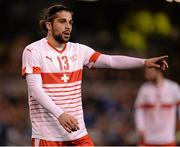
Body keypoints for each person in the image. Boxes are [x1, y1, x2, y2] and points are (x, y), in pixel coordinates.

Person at [21, 4, 168, 146]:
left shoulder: (79, 50)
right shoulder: (33, 51)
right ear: (49, 25)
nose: (68, 27)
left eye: (70, 22)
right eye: (62, 21)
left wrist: (144, 62)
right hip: (48, 136)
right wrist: (60, 114)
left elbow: (110, 61)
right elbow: (35, 90)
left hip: (78, 134)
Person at [135, 68, 180, 146]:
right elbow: (139, 110)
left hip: (167, 137)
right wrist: (140, 128)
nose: (146, 75)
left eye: (149, 72)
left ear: (158, 71)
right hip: (148, 137)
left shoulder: (173, 87)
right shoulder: (144, 89)